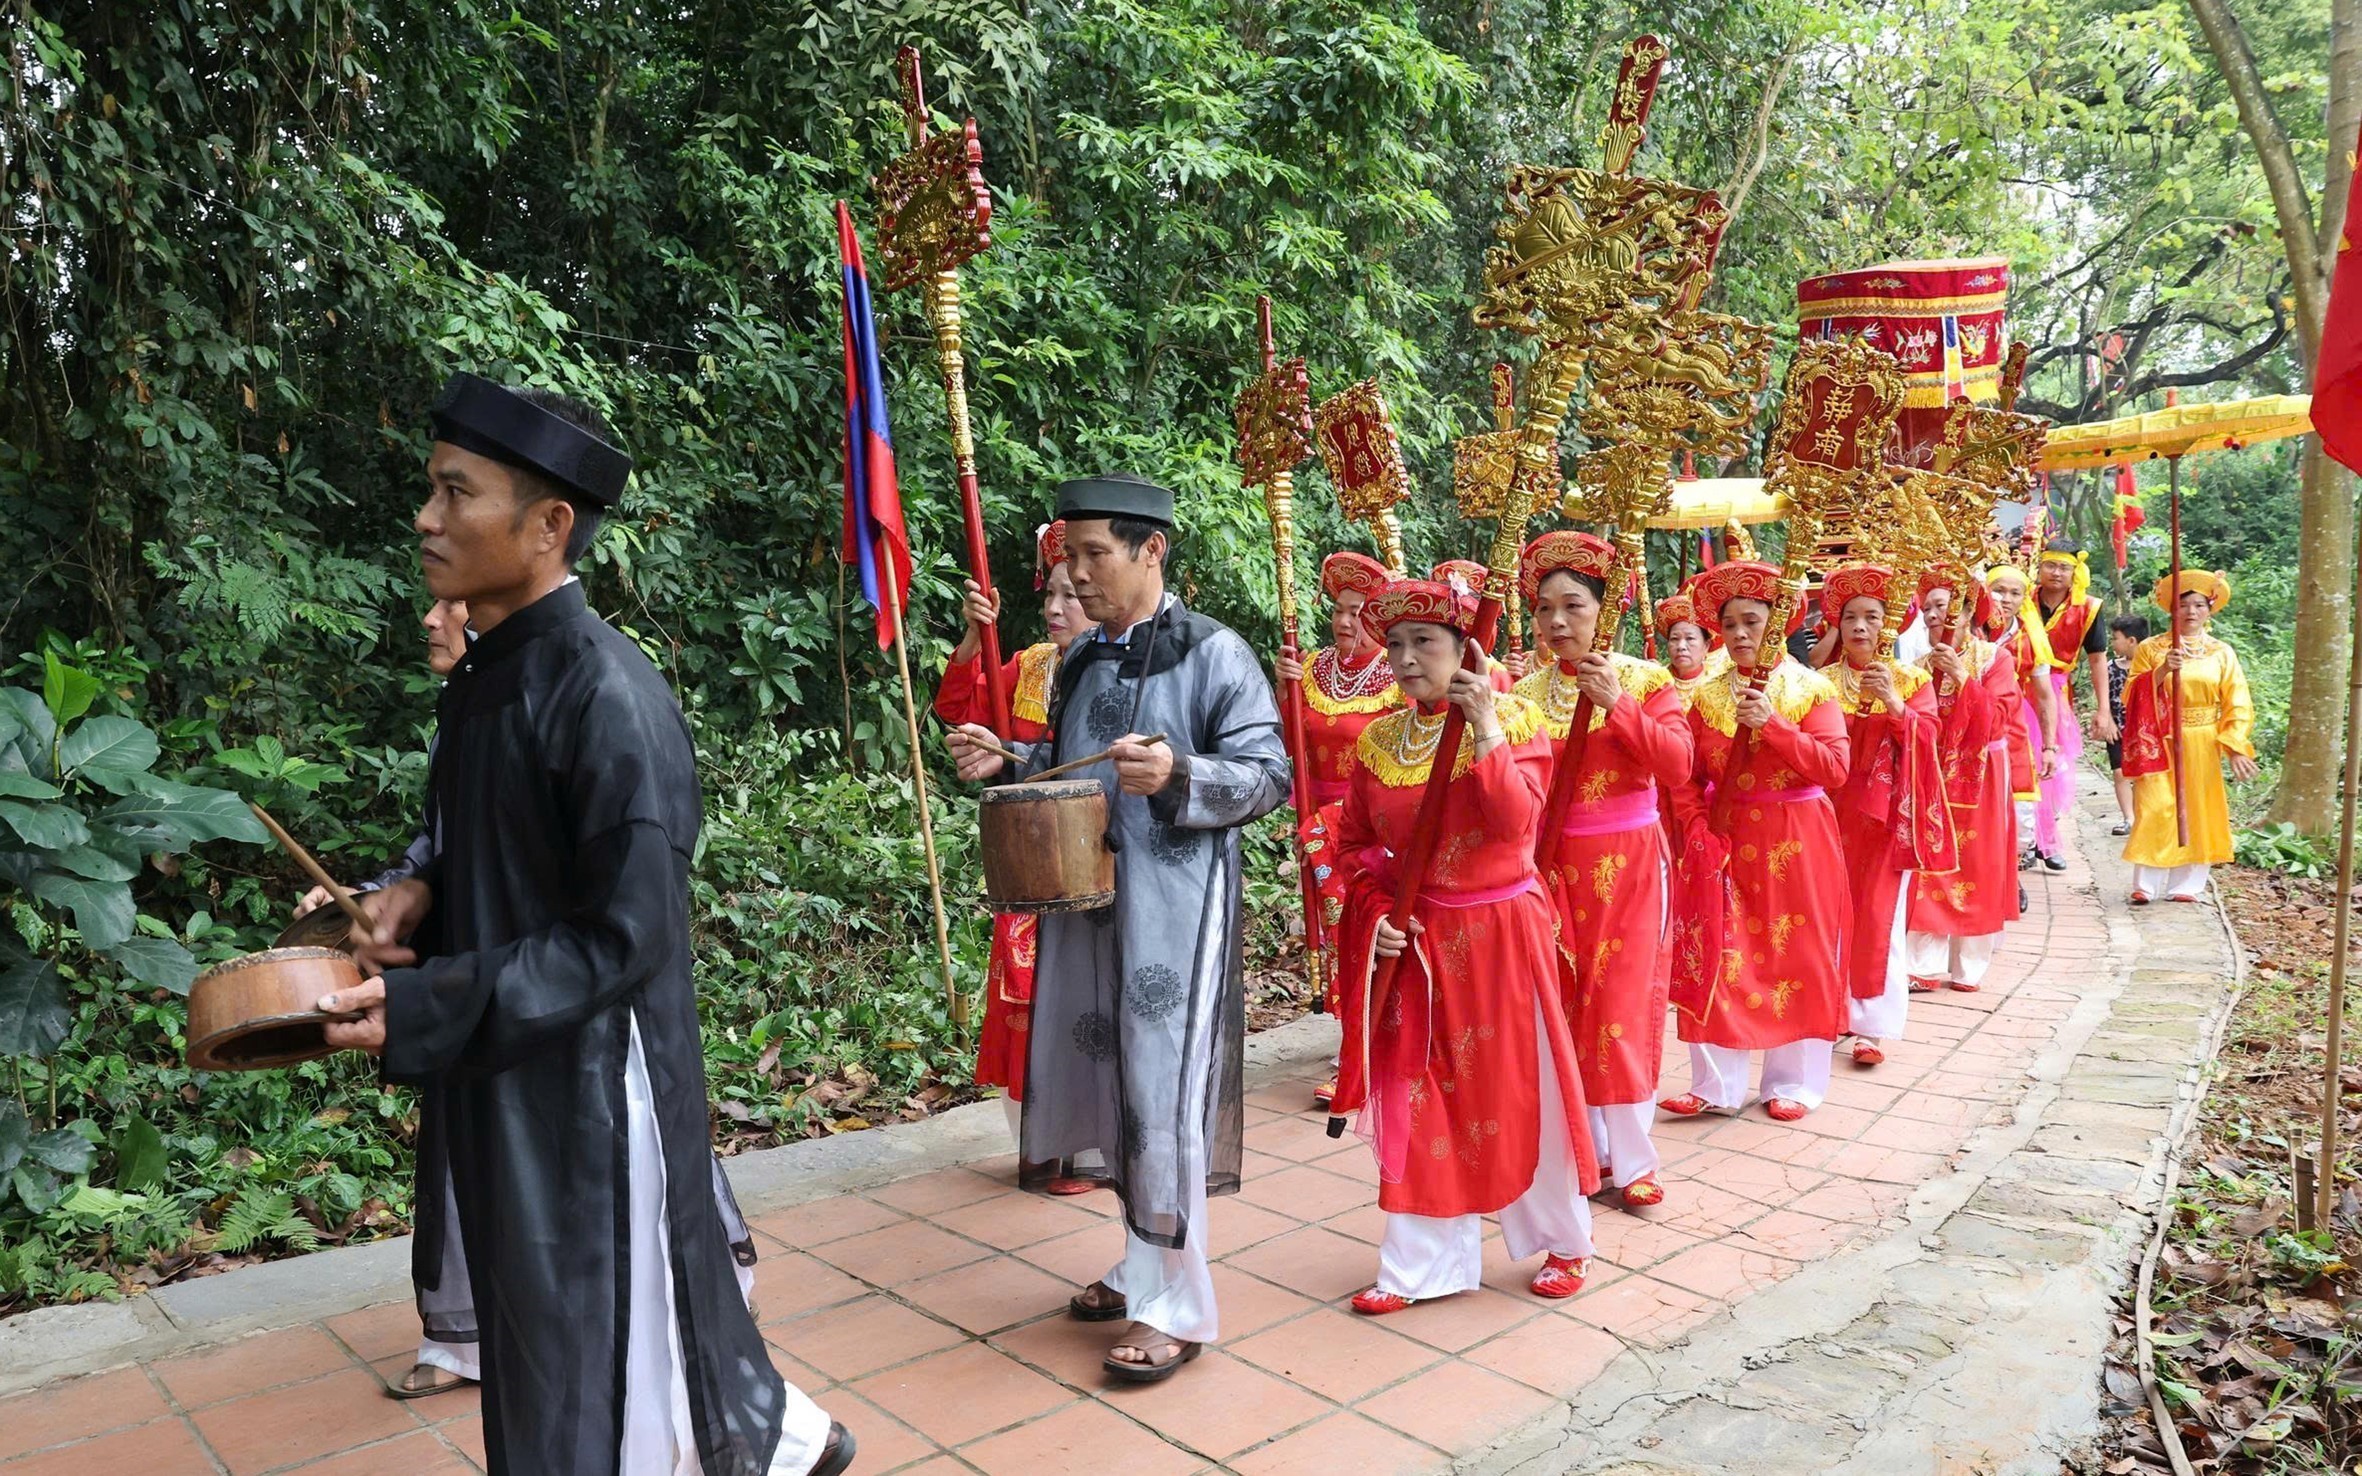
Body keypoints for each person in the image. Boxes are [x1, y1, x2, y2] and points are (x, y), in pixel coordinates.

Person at [318, 373, 850, 1476]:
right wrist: (416, 891)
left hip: (597, 1089)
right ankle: (786, 1443)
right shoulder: (486, 676)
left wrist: (426, 1003)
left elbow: (625, 938)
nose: (425, 518)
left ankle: (773, 1444)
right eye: (431, 489)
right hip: (516, 1061)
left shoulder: (607, 695)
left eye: (456, 493)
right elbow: (490, 848)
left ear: (549, 524)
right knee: (551, 1339)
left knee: (598, 1364)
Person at [299, 598, 765, 1405]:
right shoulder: (475, 708)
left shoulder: (601, 690)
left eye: (453, 607)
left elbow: (620, 917)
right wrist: (399, 895)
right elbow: (465, 852)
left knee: (633, 1285)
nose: (431, 618)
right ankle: (468, 1337)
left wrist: (441, 996)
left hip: (569, 1023)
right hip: (485, 997)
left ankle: (770, 1412)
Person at [944, 474, 1290, 1384]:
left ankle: (1181, 1305)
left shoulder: (1216, 654)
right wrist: (1010, 757)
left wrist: (1179, 775)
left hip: (1176, 917)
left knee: (1164, 1093)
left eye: (1097, 554)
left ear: (1152, 551)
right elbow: (1073, 770)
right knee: (1109, 1081)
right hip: (1092, 907)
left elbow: (1269, 775)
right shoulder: (1083, 659)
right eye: (1070, 556)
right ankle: (1142, 1264)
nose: (1080, 574)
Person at [1329, 577, 1600, 1311]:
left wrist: (1484, 728)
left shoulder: (1514, 719)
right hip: (1422, 945)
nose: (1407, 657)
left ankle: (1564, 1240)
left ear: (1465, 650)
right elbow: (1352, 842)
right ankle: (1423, 1266)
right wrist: (1379, 907)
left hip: (1501, 936)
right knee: (1421, 1095)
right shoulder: (1380, 740)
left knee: (1522, 1090)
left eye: (1425, 642)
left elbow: (1518, 828)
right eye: (1395, 644)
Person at [1515, 533, 1691, 1207]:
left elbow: (1676, 767)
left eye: (1573, 607)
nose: (1557, 622)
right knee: (1564, 1007)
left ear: (1603, 610)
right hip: (1550, 872)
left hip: (1630, 868)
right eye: (1545, 609)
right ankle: (1581, 1155)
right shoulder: (1523, 694)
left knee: (1618, 1008)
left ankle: (1634, 1159)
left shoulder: (1646, 681)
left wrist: (1617, 704)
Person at [1661, 560, 1851, 1123]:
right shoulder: (1704, 698)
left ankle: (1792, 1082)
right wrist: (1695, 828)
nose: (1741, 635)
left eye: (1753, 622)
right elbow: (1686, 776)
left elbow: (1835, 768)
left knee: (1798, 953)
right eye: (1730, 625)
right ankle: (1715, 1083)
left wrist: (1773, 725)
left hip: (1799, 840)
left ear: (1777, 625)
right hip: (1726, 836)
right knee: (1721, 950)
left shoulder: (1811, 689)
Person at [933, 521, 1086, 1134]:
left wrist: (1014, 756)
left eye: (1069, 594)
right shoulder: (1028, 666)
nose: (1053, 608)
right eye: (1048, 593)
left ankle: (1082, 1133)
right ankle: (1037, 1135)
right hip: (1028, 859)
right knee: (1023, 985)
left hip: (1090, 860)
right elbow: (959, 708)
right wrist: (975, 634)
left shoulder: (1123, 671)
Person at [1272, 550, 1399, 1110]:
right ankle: (1354, 1040)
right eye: (1340, 611)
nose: (1346, 622)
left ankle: (1362, 1047)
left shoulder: (1400, 674)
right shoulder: (1314, 667)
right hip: (1321, 828)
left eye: (1359, 611)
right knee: (1337, 937)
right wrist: (1285, 690)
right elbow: (1284, 741)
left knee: (1370, 931)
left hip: (1371, 828)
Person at [1819, 565, 1954, 1067]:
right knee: (1830, 915)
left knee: (1878, 917)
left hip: (1881, 818)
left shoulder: (1911, 679)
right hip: (1826, 815)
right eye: (1850, 616)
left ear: (1888, 624)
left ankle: (1871, 1026)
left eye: (1871, 617)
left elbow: (1930, 737)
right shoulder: (1821, 682)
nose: (1859, 626)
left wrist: (1896, 705)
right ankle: (1831, 1010)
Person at [1904, 564, 2019, 994]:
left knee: (1977, 862)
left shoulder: (1995, 659)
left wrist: (1960, 677)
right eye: (1928, 609)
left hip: (1981, 774)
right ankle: (1924, 964)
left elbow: (1999, 720)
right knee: (1930, 863)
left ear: (1969, 612)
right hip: (1931, 774)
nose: (1933, 616)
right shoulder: (1917, 666)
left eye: (1943, 607)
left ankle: (1970, 965)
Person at [2120, 570, 2256, 903]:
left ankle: (2188, 884)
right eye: (2183, 605)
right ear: (2171, 609)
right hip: (2160, 737)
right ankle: (2146, 882)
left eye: (2199, 605)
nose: (2191, 612)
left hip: (2202, 740)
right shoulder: (2152, 648)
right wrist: (2163, 670)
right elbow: (2130, 693)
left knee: (2199, 807)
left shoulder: (2221, 652)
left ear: (2210, 610)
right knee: (2155, 806)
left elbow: (2237, 702)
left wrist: (2235, 747)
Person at [2024, 540, 2115, 870]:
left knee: (2050, 765)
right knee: (2020, 761)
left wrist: (2103, 709)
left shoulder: (2088, 608)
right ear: (2039, 566)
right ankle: (2025, 839)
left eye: (2064, 567)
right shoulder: (2022, 599)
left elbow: (2097, 660)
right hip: (2018, 687)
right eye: (2051, 565)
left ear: (2075, 572)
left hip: (2056, 692)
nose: (2056, 573)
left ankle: (2045, 841)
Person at [1980, 563, 2059, 875]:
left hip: (2010, 727)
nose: (2006, 598)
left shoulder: (2029, 641)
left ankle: (2011, 877)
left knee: (2017, 804)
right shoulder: (1968, 630)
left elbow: (2043, 695)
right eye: (1999, 590)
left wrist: (2049, 746)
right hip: (1965, 727)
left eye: (2015, 593)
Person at [2106, 614, 2148, 837]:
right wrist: (2108, 721)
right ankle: (2128, 818)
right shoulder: (2110, 667)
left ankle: (2144, 815)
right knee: (2120, 773)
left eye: (2116, 638)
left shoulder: (2152, 666)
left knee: (2145, 773)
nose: (2113, 643)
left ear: (2131, 640)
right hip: (2118, 729)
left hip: (2144, 729)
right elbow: (2104, 697)